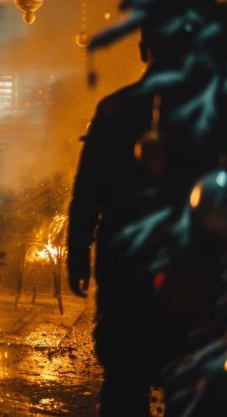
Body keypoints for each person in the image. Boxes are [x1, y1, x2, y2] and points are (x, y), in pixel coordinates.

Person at [67, 24, 195, 415]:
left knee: (125, 381)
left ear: (144, 50)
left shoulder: (113, 109)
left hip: (125, 265)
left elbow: (87, 191)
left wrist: (77, 255)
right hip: (185, 269)